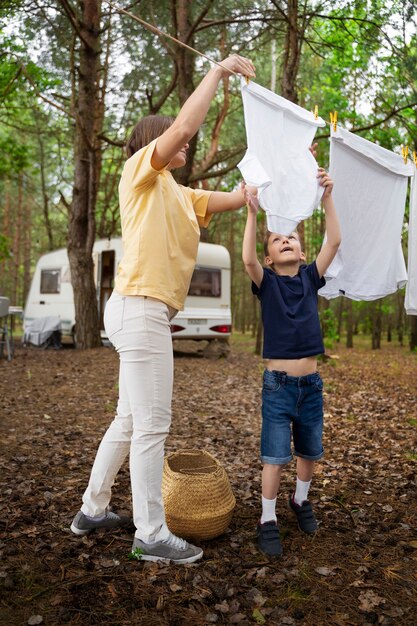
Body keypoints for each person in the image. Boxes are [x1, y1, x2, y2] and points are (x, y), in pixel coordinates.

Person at [70, 54, 256, 564]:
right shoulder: (140, 172)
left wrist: (267, 177)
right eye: (176, 137)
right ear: (157, 141)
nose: (188, 141)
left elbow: (237, 197)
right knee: (152, 425)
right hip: (140, 307)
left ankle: (92, 508)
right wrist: (217, 73)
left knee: (129, 421)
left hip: (139, 309)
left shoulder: (179, 192)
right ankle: (151, 533)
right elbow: (186, 123)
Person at [242, 165, 341, 557]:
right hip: (277, 386)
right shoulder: (267, 284)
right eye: (278, 239)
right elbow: (247, 258)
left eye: (292, 238)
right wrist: (251, 211)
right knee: (275, 454)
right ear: (270, 258)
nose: (286, 241)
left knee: (309, 451)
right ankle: (267, 517)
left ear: (301, 253)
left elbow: (334, 241)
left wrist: (327, 196)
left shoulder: (309, 278)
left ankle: (300, 500)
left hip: (311, 386)